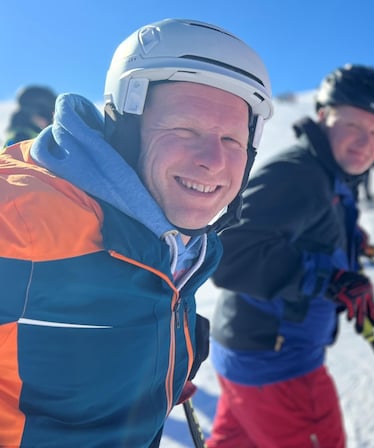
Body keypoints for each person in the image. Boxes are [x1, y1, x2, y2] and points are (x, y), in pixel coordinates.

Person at [0, 18, 274, 447]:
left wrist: (156, 368)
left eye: (233, 139)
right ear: (126, 128)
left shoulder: (180, 241)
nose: (214, 161)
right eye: (185, 128)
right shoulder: (20, 218)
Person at [207, 64, 374, 448]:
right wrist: (329, 280)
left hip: (247, 355)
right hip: (279, 368)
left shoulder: (330, 174)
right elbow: (232, 253)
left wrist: (352, 246)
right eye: (353, 127)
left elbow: (310, 230)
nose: (365, 143)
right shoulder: (300, 175)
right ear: (324, 116)